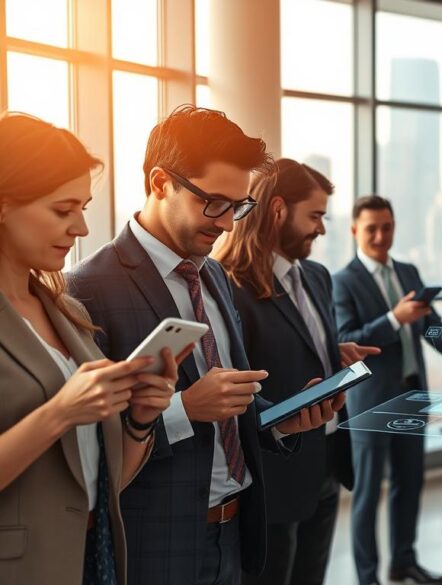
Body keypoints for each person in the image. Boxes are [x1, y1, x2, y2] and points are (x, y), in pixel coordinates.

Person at [68, 106, 342, 585]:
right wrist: (184, 409)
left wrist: (282, 421)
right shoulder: (89, 288)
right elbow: (86, 448)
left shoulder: (213, 274)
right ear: (159, 183)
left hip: (235, 532)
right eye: (214, 203)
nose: (229, 224)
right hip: (156, 541)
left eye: (238, 206)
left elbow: (230, 397)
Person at [0, 113, 179, 583]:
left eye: (84, 207)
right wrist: (59, 412)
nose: (81, 228)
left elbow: (101, 481)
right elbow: (61, 420)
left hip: (91, 558)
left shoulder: (66, 311)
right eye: (63, 210)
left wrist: (140, 419)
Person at [216, 158, 380, 585]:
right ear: (277, 211)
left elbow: (298, 344)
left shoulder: (317, 277)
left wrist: (330, 352)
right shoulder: (230, 286)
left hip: (324, 463)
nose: (322, 229)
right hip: (273, 480)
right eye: (315, 216)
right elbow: (238, 381)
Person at [333, 194, 442, 585]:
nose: (380, 236)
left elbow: (431, 325)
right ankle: (368, 577)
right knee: (368, 494)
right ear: (355, 230)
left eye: (386, 227)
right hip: (370, 401)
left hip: (412, 394)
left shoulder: (407, 271)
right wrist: (393, 318)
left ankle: (403, 561)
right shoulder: (342, 282)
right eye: (371, 228)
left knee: (410, 483)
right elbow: (346, 339)